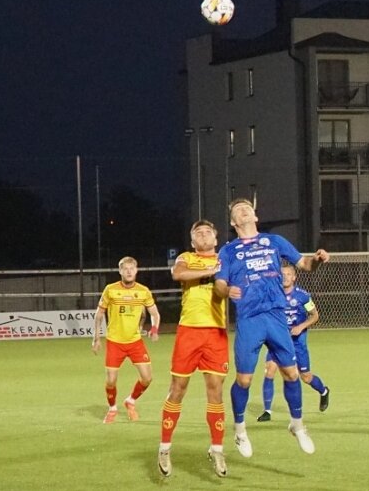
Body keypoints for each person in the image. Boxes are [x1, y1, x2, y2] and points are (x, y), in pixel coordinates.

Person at [214, 198, 329, 458]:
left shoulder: (274, 241)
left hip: (276, 317)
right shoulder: (229, 251)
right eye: (237, 211)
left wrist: (318, 259)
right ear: (233, 222)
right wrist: (226, 289)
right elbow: (219, 284)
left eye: (247, 208)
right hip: (250, 319)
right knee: (244, 380)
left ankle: (297, 425)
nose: (243, 211)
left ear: (255, 216)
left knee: (291, 374)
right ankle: (240, 429)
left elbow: (305, 264)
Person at [158, 220, 229, 478]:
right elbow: (178, 274)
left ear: (216, 238)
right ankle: (165, 447)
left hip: (216, 332)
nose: (203, 235)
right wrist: (211, 270)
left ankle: (217, 448)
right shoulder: (186, 258)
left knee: (215, 390)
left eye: (207, 231)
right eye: (197, 232)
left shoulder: (225, 258)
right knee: (178, 389)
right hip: (189, 331)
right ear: (192, 241)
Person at [257, 260, 329, 422]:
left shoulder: (302, 296)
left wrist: (300, 327)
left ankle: (324, 391)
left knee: (306, 377)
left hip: (297, 342)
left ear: (294, 277)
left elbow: (315, 316)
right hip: (278, 340)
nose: (285, 277)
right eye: (282, 274)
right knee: (269, 370)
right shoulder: (272, 294)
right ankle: (267, 411)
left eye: (288, 274)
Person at [92, 256, 161, 424]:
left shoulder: (143, 291)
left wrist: (154, 329)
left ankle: (130, 400)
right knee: (111, 380)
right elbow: (99, 314)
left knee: (147, 378)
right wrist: (96, 338)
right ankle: (112, 408)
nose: (129, 271)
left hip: (135, 342)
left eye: (132, 268)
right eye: (125, 268)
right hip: (115, 341)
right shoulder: (111, 289)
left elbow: (155, 314)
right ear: (120, 271)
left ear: (136, 271)